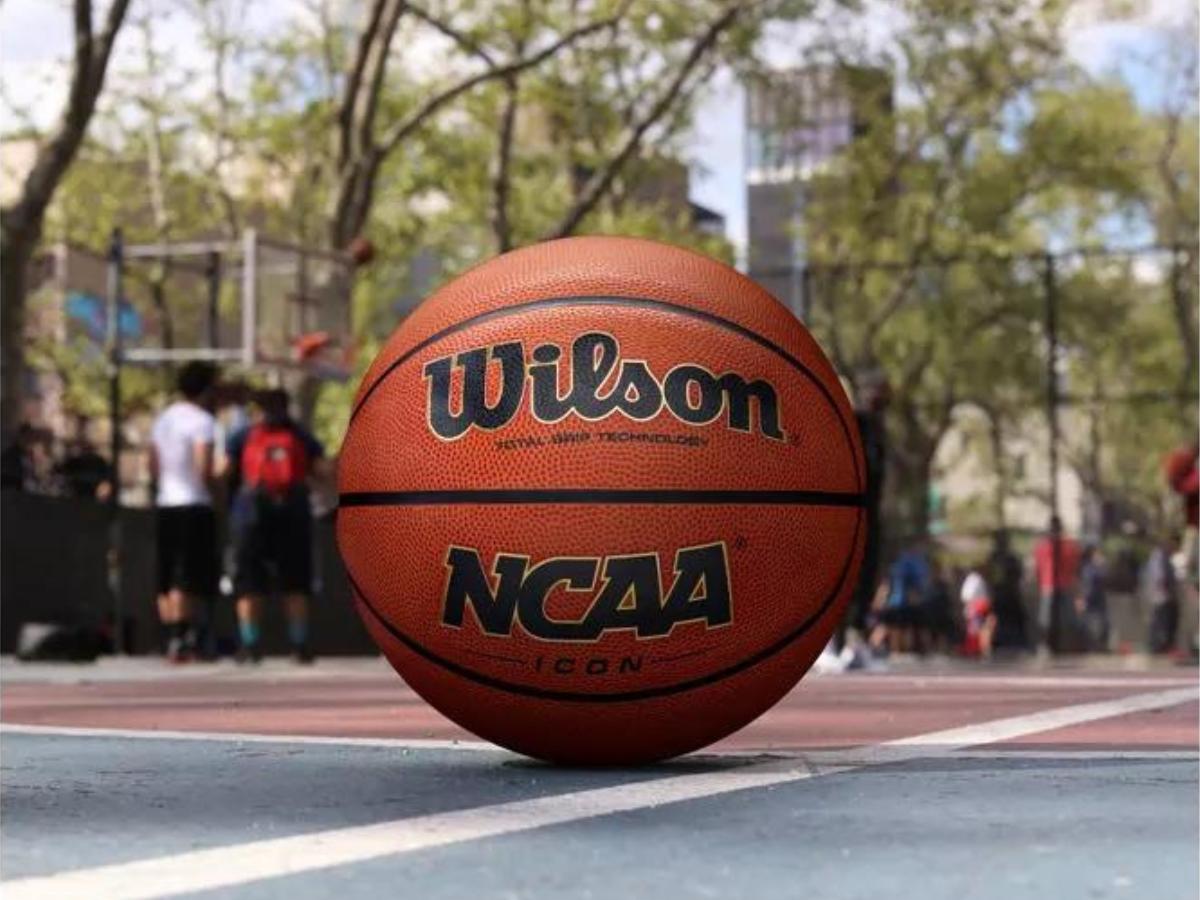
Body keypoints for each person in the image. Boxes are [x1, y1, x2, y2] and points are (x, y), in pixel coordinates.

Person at [226, 388, 326, 664]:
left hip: (250, 513)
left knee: (249, 582)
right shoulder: (299, 435)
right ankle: (299, 643)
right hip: (293, 511)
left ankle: (250, 644)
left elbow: (222, 469)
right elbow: (322, 471)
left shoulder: (243, 435)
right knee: (296, 582)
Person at [149, 361, 221, 663]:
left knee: (166, 575)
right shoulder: (202, 421)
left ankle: (171, 637)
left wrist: (163, 485)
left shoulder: (163, 419)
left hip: (166, 501)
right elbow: (203, 465)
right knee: (186, 575)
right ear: (206, 388)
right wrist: (217, 484)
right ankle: (183, 639)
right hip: (193, 503)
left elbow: (152, 464)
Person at [847, 374, 891, 638]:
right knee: (852, 574)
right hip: (852, 511)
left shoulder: (879, 427)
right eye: (878, 392)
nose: (881, 398)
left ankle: (857, 636)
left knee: (869, 573)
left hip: (872, 513)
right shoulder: (857, 421)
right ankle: (837, 641)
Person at [1032, 516, 1081, 652]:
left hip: (1050, 585)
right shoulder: (1069, 545)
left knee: (1047, 618)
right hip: (1061, 584)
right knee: (1063, 618)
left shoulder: (1043, 545)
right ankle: (1062, 646)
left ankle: (1048, 646)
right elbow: (1075, 567)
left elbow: (1037, 568)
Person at [985, 529, 1027, 650]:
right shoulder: (1000, 558)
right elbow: (996, 579)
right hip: (1004, 596)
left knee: (1011, 621)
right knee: (1005, 622)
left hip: (1005, 596)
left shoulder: (999, 558)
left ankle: (1009, 643)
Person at [1143, 533, 1180, 654]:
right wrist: (1166, 593)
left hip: (1163, 595)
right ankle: (1157, 646)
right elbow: (1160, 577)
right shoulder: (1159, 556)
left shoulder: (1165, 557)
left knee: (1163, 621)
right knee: (1160, 621)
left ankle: (1161, 646)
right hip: (1161, 596)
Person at [1076, 544, 1108, 652]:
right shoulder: (1089, 568)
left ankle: (1097, 646)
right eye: (1097, 553)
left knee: (1101, 624)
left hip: (1097, 599)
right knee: (1087, 624)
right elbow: (1087, 584)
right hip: (1090, 599)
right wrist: (1082, 599)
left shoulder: (1094, 567)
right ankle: (1086, 646)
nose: (1100, 555)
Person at [960, 564, 995, 658]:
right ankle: (977, 650)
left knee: (982, 629)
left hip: (980, 607)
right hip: (977, 608)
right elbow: (967, 596)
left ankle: (982, 650)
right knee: (976, 630)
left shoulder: (976, 579)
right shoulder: (974, 579)